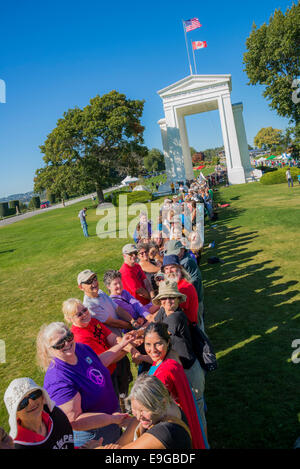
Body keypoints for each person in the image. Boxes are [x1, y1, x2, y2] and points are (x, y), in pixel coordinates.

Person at [38, 322, 130, 448]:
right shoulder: (58, 380)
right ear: (49, 349)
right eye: (60, 344)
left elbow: (98, 363)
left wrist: (121, 345)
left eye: (68, 337)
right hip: (95, 433)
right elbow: (75, 421)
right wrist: (112, 419)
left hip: (113, 419)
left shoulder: (80, 349)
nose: (67, 344)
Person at [152, 280, 206, 430]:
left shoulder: (176, 317)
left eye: (172, 297)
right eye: (164, 298)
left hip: (190, 372)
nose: (168, 301)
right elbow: (154, 323)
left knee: (197, 416)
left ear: (178, 299)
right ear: (160, 301)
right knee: (189, 412)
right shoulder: (164, 312)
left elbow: (157, 336)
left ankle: (204, 444)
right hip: (182, 370)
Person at [144, 322, 208, 449]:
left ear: (167, 342)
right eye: (148, 344)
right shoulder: (170, 355)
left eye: (158, 343)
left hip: (174, 422)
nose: (152, 350)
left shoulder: (163, 373)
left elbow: (153, 407)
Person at [62, 298, 138, 396]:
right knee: (114, 403)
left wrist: (132, 349)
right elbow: (105, 360)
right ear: (69, 319)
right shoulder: (80, 338)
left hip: (116, 364)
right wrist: (130, 348)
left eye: (84, 310)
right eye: (79, 314)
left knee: (124, 391)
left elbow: (113, 338)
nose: (84, 314)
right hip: (105, 375)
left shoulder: (93, 321)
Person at [78, 269, 135, 396]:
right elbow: (112, 322)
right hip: (112, 349)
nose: (94, 283)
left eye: (94, 279)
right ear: (81, 287)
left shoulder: (101, 293)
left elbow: (118, 309)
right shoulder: (89, 306)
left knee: (125, 378)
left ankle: (125, 402)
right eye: (88, 282)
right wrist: (132, 326)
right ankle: (123, 406)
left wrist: (132, 320)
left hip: (120, 341)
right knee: (118, 384)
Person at [98, 374, 193, 449]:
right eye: (134, 410)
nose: (139, 416)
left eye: (143, 410)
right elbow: (121, 443)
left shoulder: (165, 431)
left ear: (163, 402)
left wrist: (94, 447)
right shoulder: (162, 409)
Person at [3, 377, 74, 449]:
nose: (31, 402)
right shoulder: (18, 446)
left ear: (42, 396)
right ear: (15, 414)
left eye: (34, 395)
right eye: (23, 403)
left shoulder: (55, 414)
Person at [161, 255, 199, 325]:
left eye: (172, 267)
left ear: (180, 268)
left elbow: (168, 310)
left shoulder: (183, 288)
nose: (169, 271)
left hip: (186, 327)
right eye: (166, 268)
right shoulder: (176, 284)